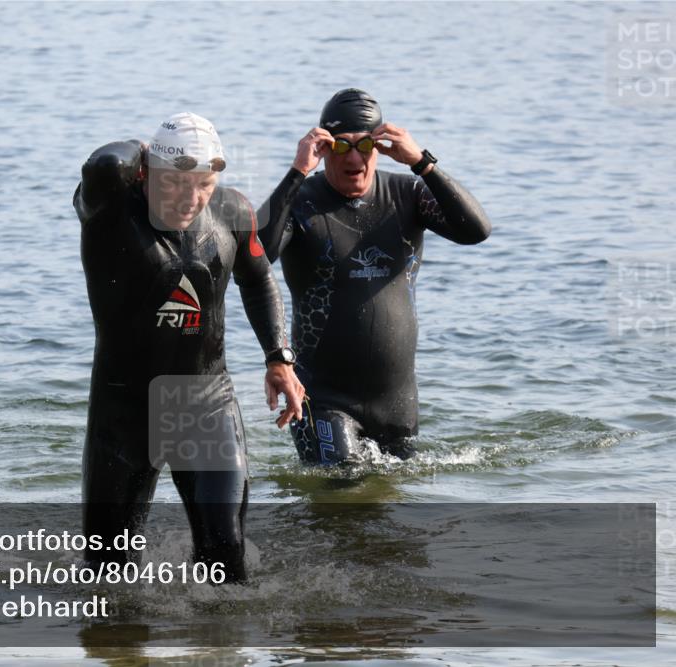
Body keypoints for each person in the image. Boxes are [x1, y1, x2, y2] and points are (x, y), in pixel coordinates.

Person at [73, 112, 305, 582]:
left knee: (227, 556)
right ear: (144, 173)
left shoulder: (232, 211)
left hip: (206, 403)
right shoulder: (109, 211)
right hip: (123, 413)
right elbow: (103, 163)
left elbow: (259, 280)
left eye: (203, 184)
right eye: (175, 182)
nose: (191, 198)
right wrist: (143, 149)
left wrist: (278, 357)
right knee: (108, 575)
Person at [257, 89, 491, 465]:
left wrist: (422, 163)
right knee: (343, 489)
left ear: (380, 146)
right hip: (322, 398)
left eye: (364, 145)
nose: (353, 158)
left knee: (393, 499)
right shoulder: (300, 203)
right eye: (341, 146)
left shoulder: (408, 194)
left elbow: (476, 230)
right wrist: (298, 172)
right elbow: (257, 255)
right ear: (323, 148)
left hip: (396, 403)